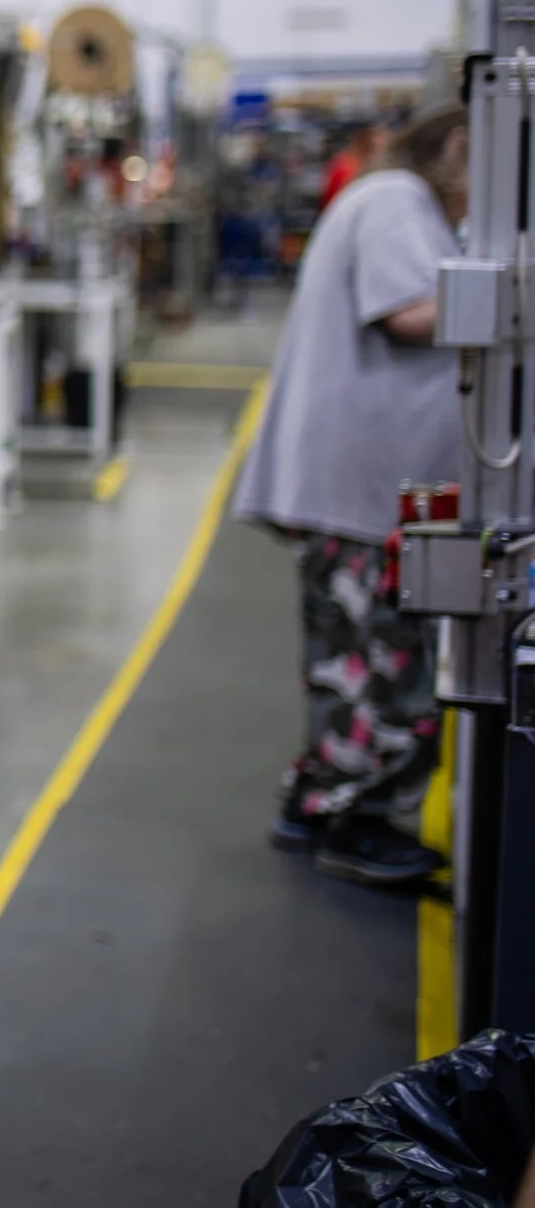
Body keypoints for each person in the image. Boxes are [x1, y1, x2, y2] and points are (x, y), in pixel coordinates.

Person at [233, 105, 470, 887]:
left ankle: (320, 798)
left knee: (349, 656)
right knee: (381, 661)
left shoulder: (397, 200)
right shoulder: (396, 201)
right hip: (364, 485)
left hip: (365, 483)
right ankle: (352, 815)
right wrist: (515, 296)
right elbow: (406, 312)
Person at [317, 119, 389, 214]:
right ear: (363, 137)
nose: (383, 140)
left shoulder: (378, 163)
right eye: (377, 135)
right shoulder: (345, 166)